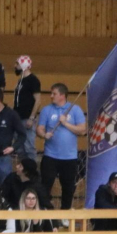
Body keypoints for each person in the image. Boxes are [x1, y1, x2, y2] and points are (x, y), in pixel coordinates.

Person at [37, 83, 86, 215]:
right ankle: (45, 212)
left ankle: (65, 213)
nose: (51, 96)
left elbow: (82, 130)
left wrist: (65, 123)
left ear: (62, 95)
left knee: (68, 188)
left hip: (69, 157)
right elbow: (40, 129)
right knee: (45, 186)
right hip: (50, 155)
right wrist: (44, 135)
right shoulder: (46, 110)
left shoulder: (75, 109)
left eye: (54, 93)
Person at [0, 87, 27, 185]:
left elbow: (22, 135)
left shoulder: (11, 114)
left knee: (4, 187)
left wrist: (13, 147)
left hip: (3, 158)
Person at [12, 55, 41, 159]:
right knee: (19, 147)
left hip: (26, 117)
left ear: (23, 65)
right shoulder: (20, 80)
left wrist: (31, 118)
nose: (15, 66)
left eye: (17, 64)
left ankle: (31, 166)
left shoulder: (33, 80)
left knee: (29, 146)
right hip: (18, 118)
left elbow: (38, 100)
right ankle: (23, 166)